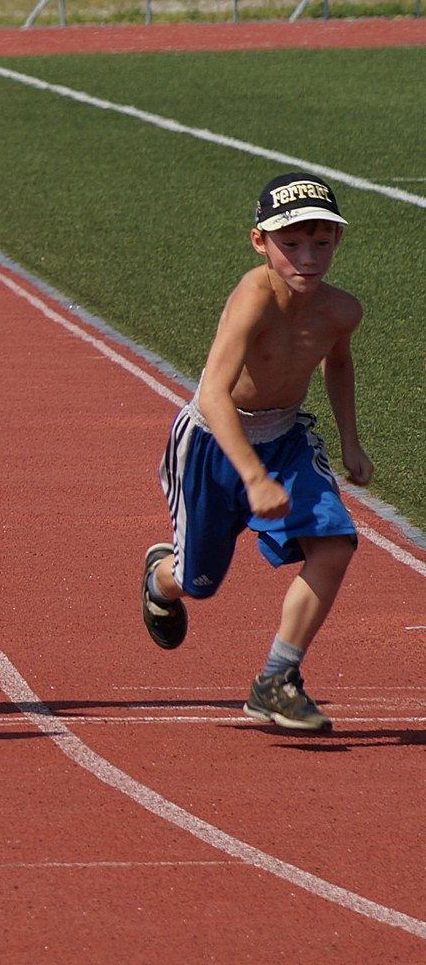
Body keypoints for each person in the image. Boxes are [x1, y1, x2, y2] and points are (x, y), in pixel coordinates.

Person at [141, 171, 371, 732]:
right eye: (290, 243)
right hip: (214, 444)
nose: (307, 257)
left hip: (288, 439)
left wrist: (350, 441)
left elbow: (336, 361)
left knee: (335, 544)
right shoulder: (253, 296)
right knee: (198, 581)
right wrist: (251, 475)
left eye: (320, 241)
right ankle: (158, 579)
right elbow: (213, 393)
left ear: (337, 241)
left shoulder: (341, 311)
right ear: (259, 242)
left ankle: (277, 679)